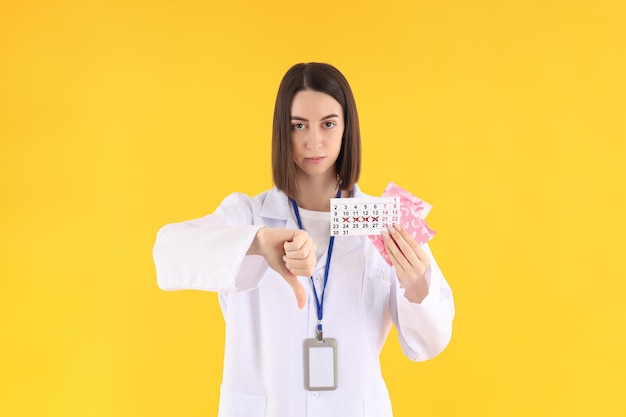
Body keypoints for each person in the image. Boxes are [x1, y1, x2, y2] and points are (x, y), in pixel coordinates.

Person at [153, 62, 455, 417]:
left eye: (328, 123)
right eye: (299, 126)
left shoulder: (385, 220)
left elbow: (430, 343)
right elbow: (167, 253)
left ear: (347, 128)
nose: (314, 141)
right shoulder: (248, 216)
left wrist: (417, 283)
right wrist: (258, 243)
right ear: (283, 131)